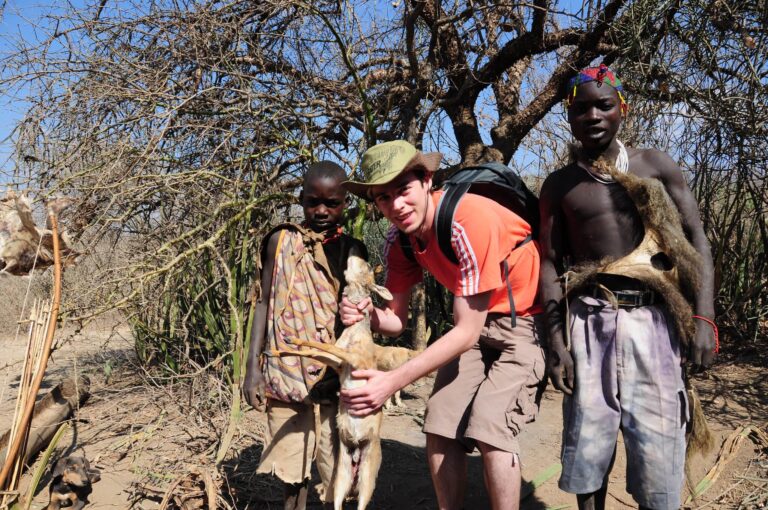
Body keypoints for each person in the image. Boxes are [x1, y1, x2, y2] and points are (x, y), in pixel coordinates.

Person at [538, 64, 717, 510]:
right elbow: (548, 261)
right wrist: (556, 340)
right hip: (590, 324)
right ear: (569, 116)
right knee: (588, 447)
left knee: (659, 449)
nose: (593, 116)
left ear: (623, 109)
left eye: (604, 105)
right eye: (581, 109)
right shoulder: (561, 186)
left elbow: (697, 240)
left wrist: (704, 316)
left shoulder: (654, 165)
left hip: (655, 323)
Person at [339, 140, 545, 510]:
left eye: (403, 190)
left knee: (490, 427)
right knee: (440, 425)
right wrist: (363, 311)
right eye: (383, 198)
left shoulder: (469, 220)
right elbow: (395, 321)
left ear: (427, 180)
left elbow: (464, 332)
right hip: (470, 329)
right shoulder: (400, 240)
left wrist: (390, 383)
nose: (396, 206)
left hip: (522, 324)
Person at [243, 161, 368, 510]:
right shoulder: (280, 242)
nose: (322, 211)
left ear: (347, 204)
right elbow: (264, 302)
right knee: (292, 464)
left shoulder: (353, 250)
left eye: (332, 203)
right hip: (285, 367)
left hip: (334, 373)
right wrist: (253, 368)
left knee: (337, 465)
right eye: (313, 202)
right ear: (300, 199)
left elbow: (359, 318)